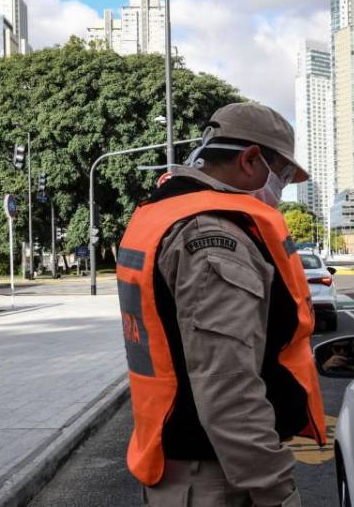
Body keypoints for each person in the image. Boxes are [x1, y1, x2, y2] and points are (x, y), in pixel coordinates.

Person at [116, 102, 327, 506]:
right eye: (282, 174)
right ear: (250, 160)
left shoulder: (163, 215)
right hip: (217, 480)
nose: (281, 190)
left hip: (187, 468)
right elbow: (228, 389)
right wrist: (277, 491)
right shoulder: (213, 238)